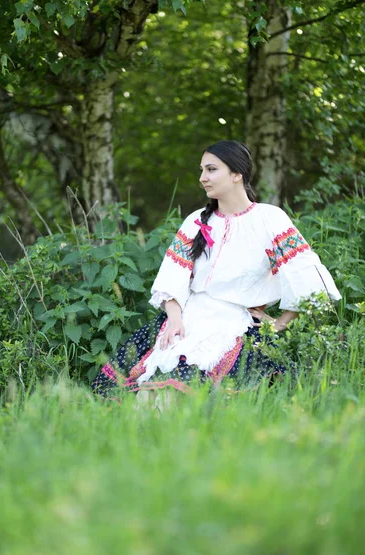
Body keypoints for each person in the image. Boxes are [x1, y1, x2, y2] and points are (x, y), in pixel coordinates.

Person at [91, 140, 341, 398]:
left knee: (200, 397)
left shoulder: (269, 219)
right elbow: (172, 277)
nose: (202, 178)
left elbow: (305, 275)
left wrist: (280, 324)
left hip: (237, 325)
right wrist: (174, 319)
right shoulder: (196, 221)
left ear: (236, 174)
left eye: (211, 170)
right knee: (151, 386)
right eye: (201, 170)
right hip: (187, 320)